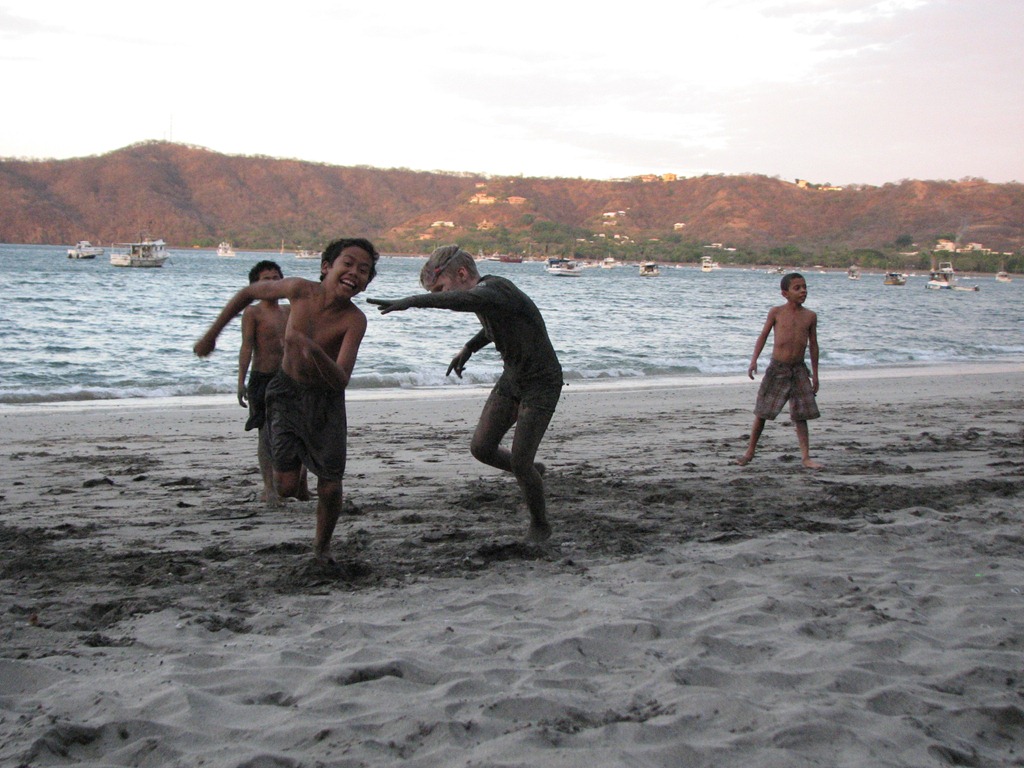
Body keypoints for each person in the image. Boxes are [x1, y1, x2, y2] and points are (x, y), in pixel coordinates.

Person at [195, 238, 380, 563]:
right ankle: (296, 465)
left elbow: (341, 378)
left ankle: (321, 549)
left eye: (363, 270)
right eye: (348, 264)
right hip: (285, 392)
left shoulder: (354, 320)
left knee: (330, 485)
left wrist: (311, 348)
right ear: (326, 267)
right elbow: (248, 293)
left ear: (366, 283)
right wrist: (212, 334)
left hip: (326, 402)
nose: (354, 272)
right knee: (285, 487)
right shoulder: (298, 290)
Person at [367, 244, 563, 543]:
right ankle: (532, 470)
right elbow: (492, 326)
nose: (441, 297)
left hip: (542, 383)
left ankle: (540, 524)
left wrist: (412, 302)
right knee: (481, 448)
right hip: (513, 379)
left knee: (520, 462)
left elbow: (461, 300)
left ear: (461, 274)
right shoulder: (489, 299)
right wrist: (469, 349)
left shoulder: (496, 288)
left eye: (440, 289)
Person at [237, 260, 309, 504]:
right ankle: (269, 488)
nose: (272, 283)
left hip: (289, 377)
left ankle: (301, 486)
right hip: (262, 378)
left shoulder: (289, 311)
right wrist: (241, 381)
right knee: (266, 434)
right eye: (266, 279)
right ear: (255, 285)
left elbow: (300, 343)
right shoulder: (253, 313)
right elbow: (246, 347)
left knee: (299, 433)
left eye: (276, 278)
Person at [738, 272, 821, 469]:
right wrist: (753, 361)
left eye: (804, 287)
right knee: (762, 412)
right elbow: (763, 336)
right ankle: (750, 452)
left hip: (799, 370)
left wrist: (815, 375)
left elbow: (813, 345)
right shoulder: (776, 312)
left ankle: (806, 457)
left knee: (800, 415)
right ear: (785, 293)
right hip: (777, 368)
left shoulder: (810, 316)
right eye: (797, 288)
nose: (803, 291)